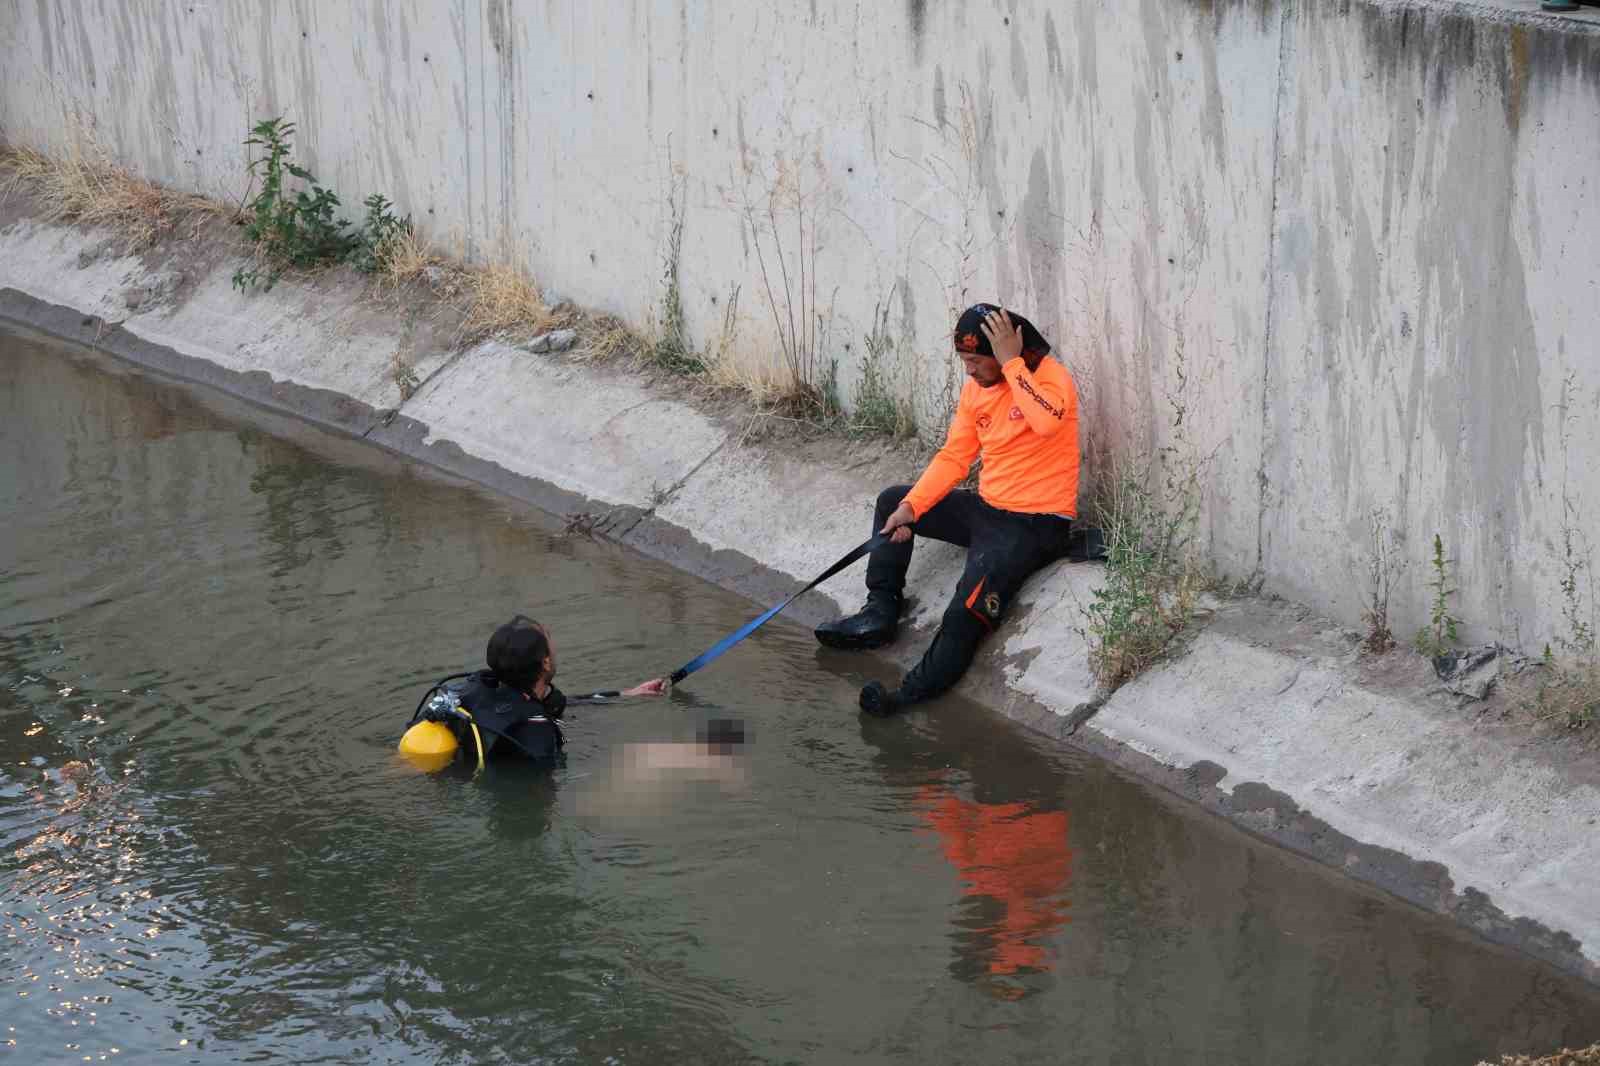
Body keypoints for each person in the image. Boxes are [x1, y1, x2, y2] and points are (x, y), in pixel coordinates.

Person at [816, 304, 1079, 715]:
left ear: (1005, 352)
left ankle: (907, 694)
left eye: (976, 361)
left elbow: (1046, 423)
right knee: (892, 500)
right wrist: (911, 508)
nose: (969, 371)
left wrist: (1013, 365)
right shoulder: (976, 390)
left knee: (966, 605)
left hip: (1035, 524)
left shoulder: (1049, 378)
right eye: (964, 362)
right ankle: (879, 613)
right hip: (989, 509)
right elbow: (955, 457)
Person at [408, 615, 665, 767]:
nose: (554, 647)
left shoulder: (479, 688)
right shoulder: (535, 729)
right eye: (550, 641)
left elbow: (557, 703)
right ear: (545, 663)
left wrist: (629, 694)